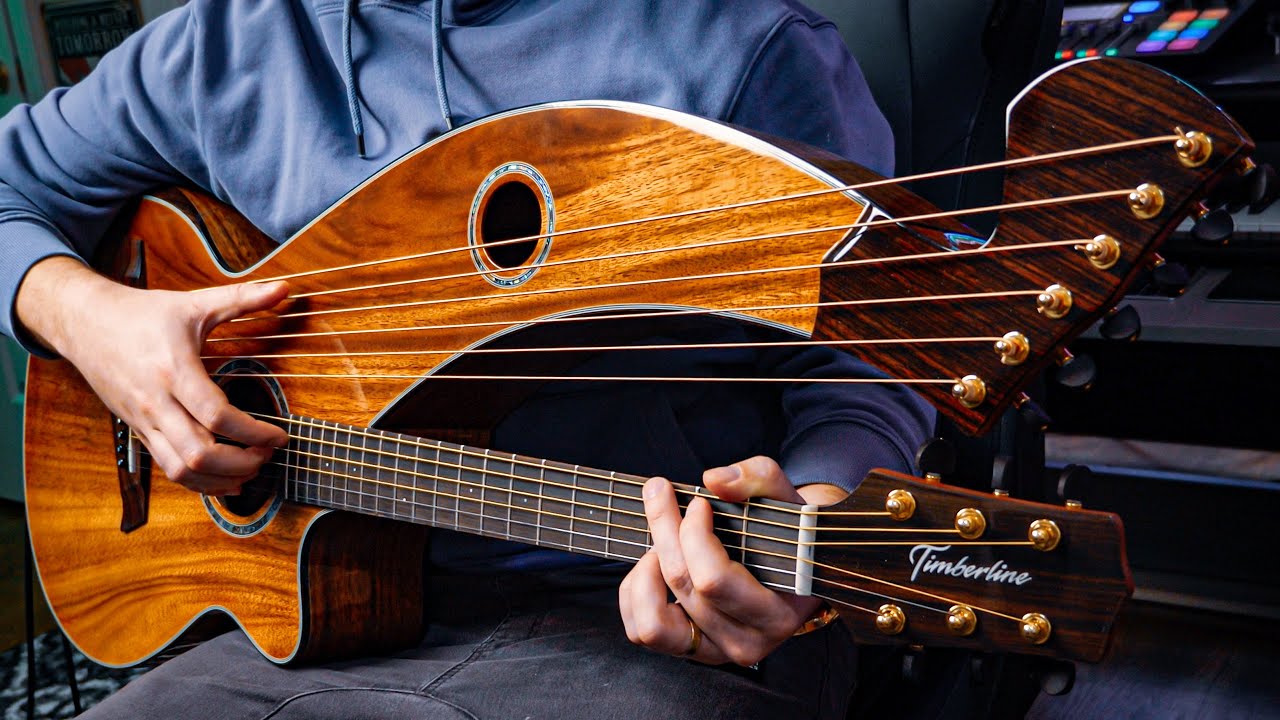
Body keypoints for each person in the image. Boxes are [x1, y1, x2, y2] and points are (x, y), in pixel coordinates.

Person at [0, 1, 934, 717]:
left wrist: (818, 518)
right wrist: (87, 318)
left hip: (647, 612)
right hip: (311, 619)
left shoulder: (742, 43)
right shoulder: (230, 38)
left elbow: (892, 354)